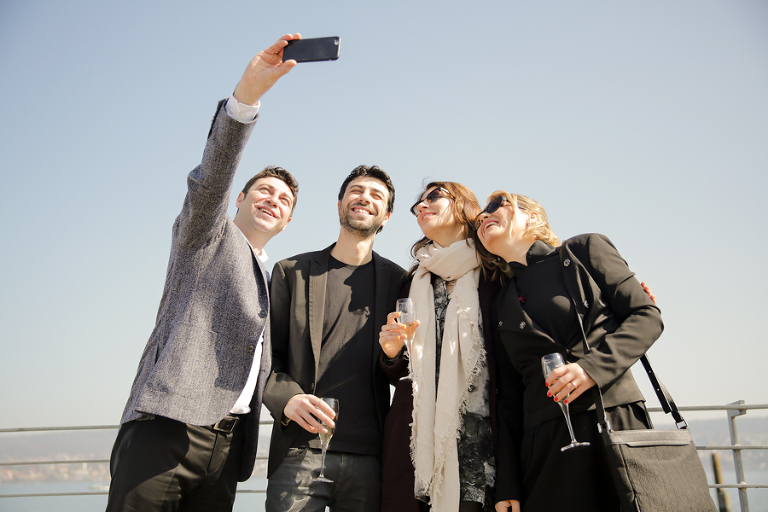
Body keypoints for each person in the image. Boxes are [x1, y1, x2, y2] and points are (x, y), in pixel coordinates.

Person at [106, 34, 301, 512]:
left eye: (285, 200)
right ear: (238, 199)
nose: (273, 200)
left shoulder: (274, 277)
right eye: (264, 190)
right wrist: (245, 100)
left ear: (290, 220)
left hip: (227, 451)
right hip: (165, 428)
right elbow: (210, 177)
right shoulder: (206, 236)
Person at [473, 191, 664, 512]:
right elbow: (507, 398)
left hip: (613, 421)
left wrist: (591, 369)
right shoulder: (499, 303)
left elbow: (646, 316)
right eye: (480, 215)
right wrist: (508, 483)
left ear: (533, 217)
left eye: (495, 205)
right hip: (545, 446)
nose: (483, 216)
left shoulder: (586, 250)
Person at [263, 165, 408, 512]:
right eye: (356, 191)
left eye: (376, 196)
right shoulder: (290, 272)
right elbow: (266, 357)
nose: (365, 198)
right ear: (340, 204)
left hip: (371, 457)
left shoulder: (400, 282)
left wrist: (391, 356)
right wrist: (287, 399)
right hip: (299, 449)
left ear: (386, 216)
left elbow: (405, 369)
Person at [378, 182, 499, 512]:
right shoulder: (413, 280)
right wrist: (390, 352)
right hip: (418, 437)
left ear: (463, 206)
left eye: (433, 197)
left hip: (481, 433)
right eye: (418, 203)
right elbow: (403, 369)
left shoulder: (496, 271)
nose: (422, 206)